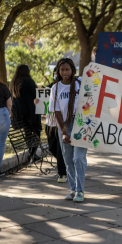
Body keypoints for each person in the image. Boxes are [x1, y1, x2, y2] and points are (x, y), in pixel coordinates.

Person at [49, 58, 87, 202]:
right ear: (58, 71)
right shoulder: (56, 88)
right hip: (64, 125)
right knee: (68, 159)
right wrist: (64, 131)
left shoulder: (81, 83)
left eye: (67, 69)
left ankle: (80, 191)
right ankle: (73, 189)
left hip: (82, 124)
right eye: (62, 70)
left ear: (73, 70)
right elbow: (56, 111)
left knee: (78, 158)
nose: (65, 72)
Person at [9, 65, 42, 161]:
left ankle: (31, 153)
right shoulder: (29, 81)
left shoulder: (14, 83)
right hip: (31, 112)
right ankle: (32, 154)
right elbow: (36, 95)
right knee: (37, 132)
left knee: (28, 133)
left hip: (20, 114)